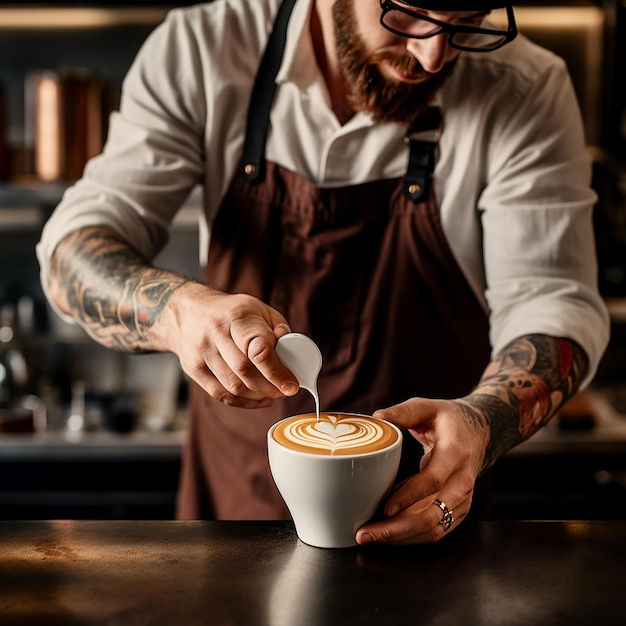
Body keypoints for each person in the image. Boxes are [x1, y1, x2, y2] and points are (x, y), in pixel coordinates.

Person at [37, 0, 609, 544]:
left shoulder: (526, 87)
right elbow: (73, 252)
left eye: (468, 21)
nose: (434, 56)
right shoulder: (204, 48)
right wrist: (176, 312)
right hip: (233, 515)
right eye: (408, 11)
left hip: (424, 520)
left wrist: (485, 422)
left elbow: (554, 303)